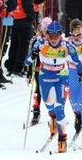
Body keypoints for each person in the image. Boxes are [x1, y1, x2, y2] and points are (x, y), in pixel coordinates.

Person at [25, 21, 82, 153]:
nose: (54, 39)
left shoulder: (67, 45)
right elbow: (27, 60)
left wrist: (80, 71)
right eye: (51, 36)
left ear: (61, 35)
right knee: (49, 103)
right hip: (45, 76)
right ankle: (53, 119)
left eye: (57, 36)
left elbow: (77, 62)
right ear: (47, 35)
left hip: (61, 76)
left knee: (59, 107)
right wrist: (32, 57)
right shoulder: (40, 43)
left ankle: (62, 139)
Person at [5, 0, 35, 76]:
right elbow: (28, 6)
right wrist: (32, 18)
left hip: (14, 19)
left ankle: (10, 65)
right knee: (24, 45)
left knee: (14, 44)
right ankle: (18, 67)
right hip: (24, 20)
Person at [26, 17, 52, 126]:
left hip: (52, 69)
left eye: (48, 30)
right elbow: (30, 56)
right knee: (38, 90)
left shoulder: (56, 39)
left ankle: (55, 115)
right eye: (44, 30)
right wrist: (29, 72)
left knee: (53, 92)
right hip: (39, 69)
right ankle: (36, 113)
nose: (46, 33)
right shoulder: (36, 40)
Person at [67, 19, 82, 134]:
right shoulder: (66, 42)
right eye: (74, 34)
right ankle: (78, 115)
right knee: (73, 97)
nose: (77, 37)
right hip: (72, 71)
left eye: (79, 34)